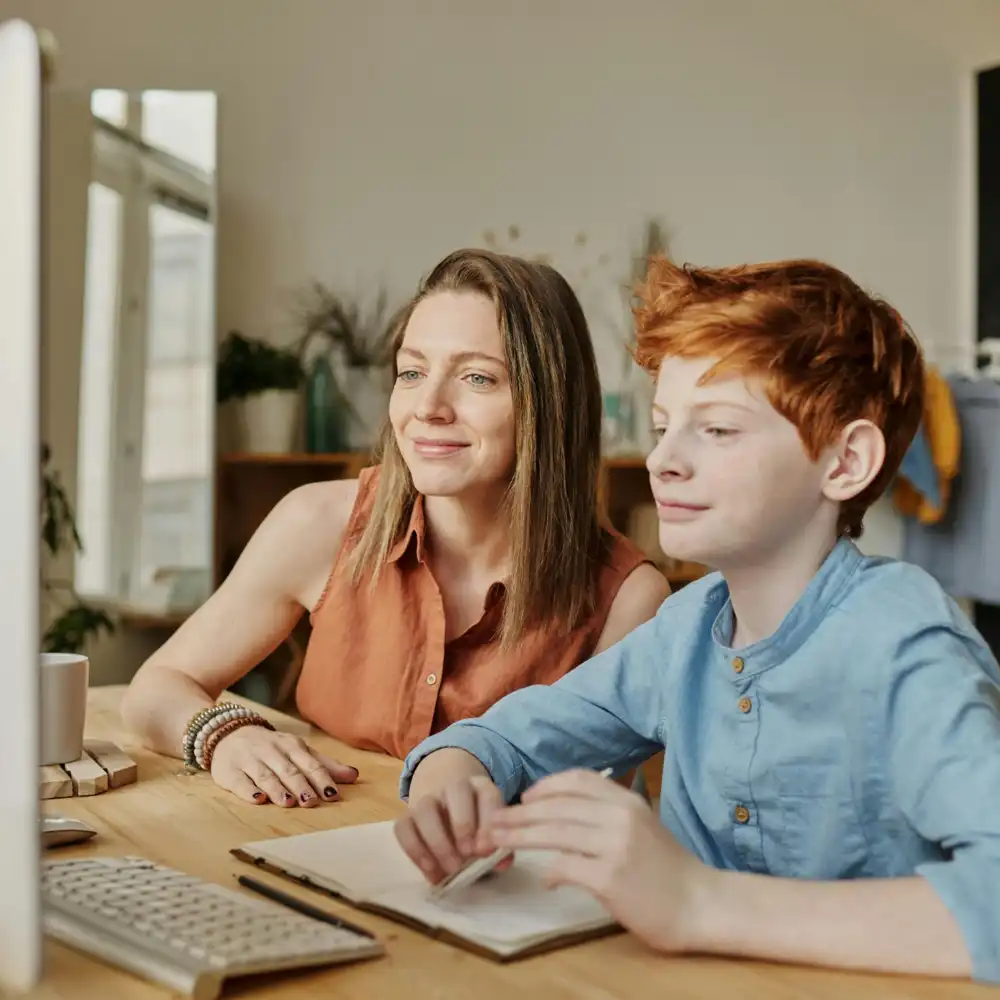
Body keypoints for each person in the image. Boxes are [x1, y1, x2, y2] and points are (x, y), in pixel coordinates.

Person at [394, 256, 1000, 985]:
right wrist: (450, 790)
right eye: (662, 426)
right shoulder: (686, 627)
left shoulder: (906, 645)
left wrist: (698, 902)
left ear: (845, 462)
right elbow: (502, 738)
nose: (663, 461)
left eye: (715, 429)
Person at [121, 248, 669, 808]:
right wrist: (226, 735)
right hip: (293, 843)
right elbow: (156, 688)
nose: (428, 406)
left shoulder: (628, 599)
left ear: (551, 404)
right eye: (412, 372)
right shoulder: (317, 523)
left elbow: (582, 810)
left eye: (477, 377)